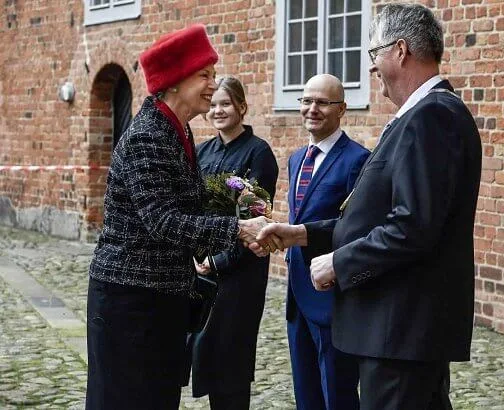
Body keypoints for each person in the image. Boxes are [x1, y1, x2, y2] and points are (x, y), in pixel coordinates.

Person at [254, 4, 482, 409]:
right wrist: (302, 233)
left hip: (400, 330)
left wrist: (339, 262)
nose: (373, 70)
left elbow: (413, 226)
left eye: (374, 55)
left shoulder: (432, 116)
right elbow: (372, 215)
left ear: (400, 50)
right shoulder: (422, 115)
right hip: (399, 332)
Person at [86, 24, 269, 410]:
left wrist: (242, 211)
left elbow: (187, 205)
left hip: (159, 298)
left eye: (213, 75)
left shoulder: (178, 129)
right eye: (204, 75)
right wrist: (238, 229)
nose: (212, 84)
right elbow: (164, 221)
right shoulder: (148, 135)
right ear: (173, 81)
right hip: (132, 303)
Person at [190, 76, 279, 409]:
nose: (217, 110)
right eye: (212, 105)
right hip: (202, 270)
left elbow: (255, 219)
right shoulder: (201, 152)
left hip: (240, 272)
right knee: (207, 355)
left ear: (242, 106)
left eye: (225, 104)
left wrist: (219, 261)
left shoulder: (259, 153)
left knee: (232, 359)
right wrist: (199, 257)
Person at [286, 74, 368, 410]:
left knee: (337, 393)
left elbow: (354, 226)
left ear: (342, 109)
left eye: (322, 102)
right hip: (296, 294)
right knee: (305, 393)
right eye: (306, 101)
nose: (312, 109)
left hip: (331, 296)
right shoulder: (296, 159)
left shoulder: (358, 160)